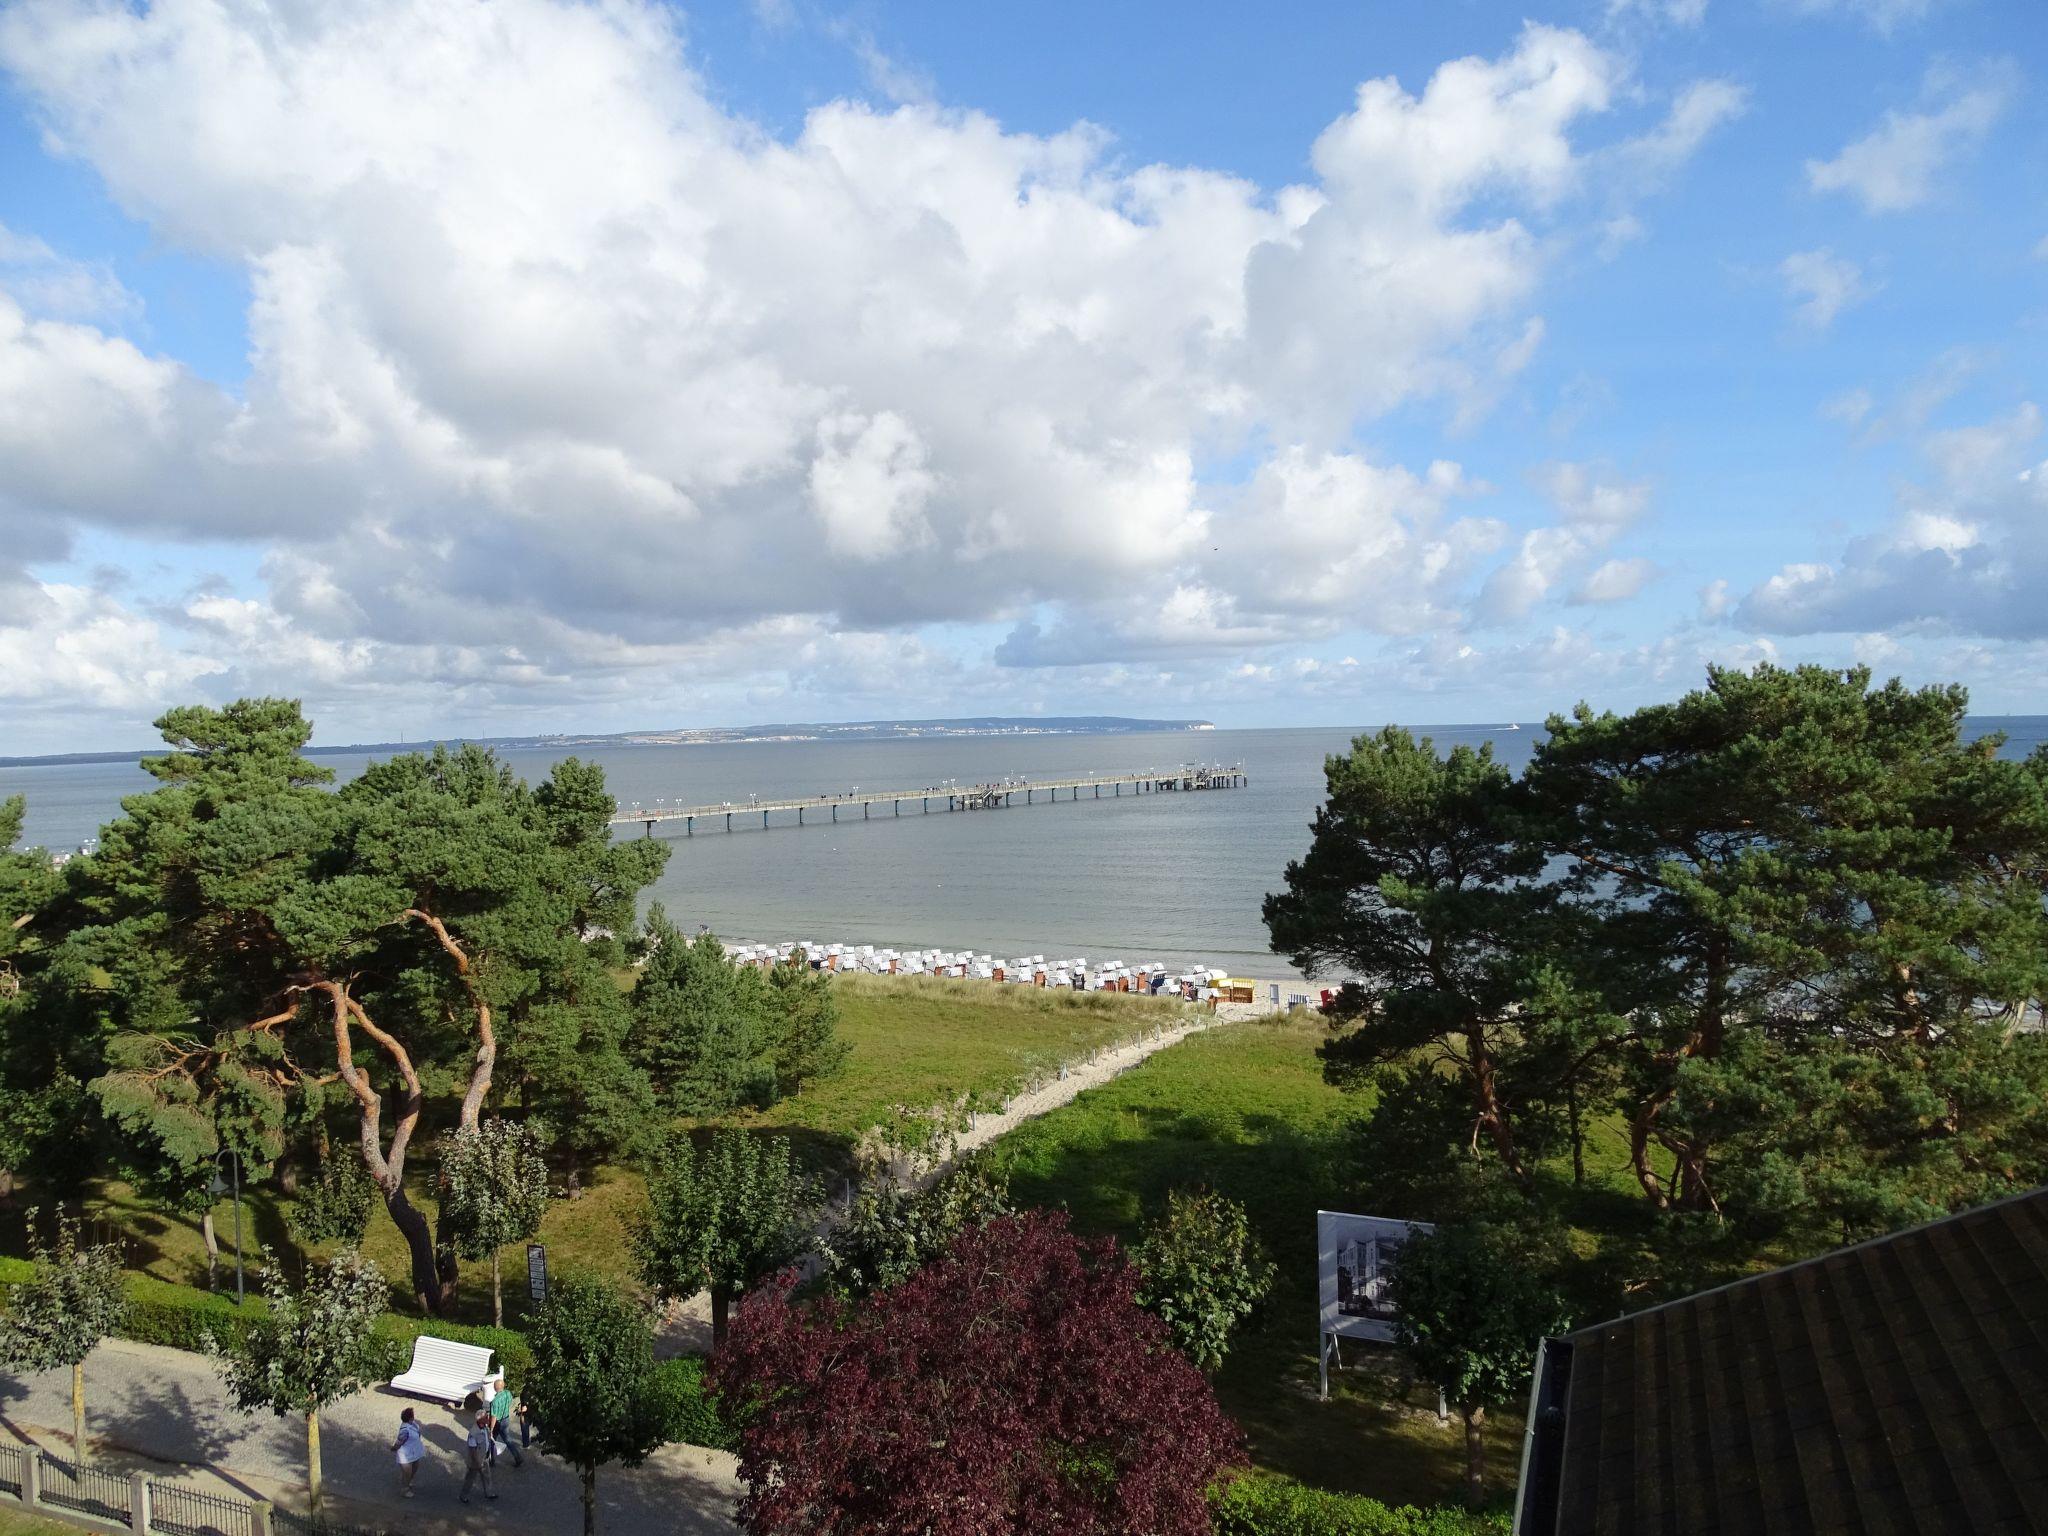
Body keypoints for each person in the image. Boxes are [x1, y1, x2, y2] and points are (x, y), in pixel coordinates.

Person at [460, 1409, 497, 1503]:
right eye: (486, 1417)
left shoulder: (485, 1427)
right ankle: (463, 1496)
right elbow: (472, 1450)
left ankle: (489, 1493)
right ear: (480, 1420)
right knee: (470, 1479)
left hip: (484, 1457)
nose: (488, 1418)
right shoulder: (473, 1433)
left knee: (487, 1476)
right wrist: (477, 1463)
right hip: (475, 1461)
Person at [488, 1373, 523, 1468]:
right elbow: (510, 1402)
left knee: (492, 1440)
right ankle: (518, 1457)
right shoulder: (508, 1393)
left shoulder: (495, 1401)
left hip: (498, 1422)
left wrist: (491, 1429)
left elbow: (494, 1416)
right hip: (506, 1419)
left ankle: (491, 1460)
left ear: (495, 1388)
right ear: (503, 1386)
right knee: (508, 1439)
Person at [390, 1407, 426, 1498]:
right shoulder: (404, 1430)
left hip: (414, 1451)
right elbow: (399, 1442)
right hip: (405, 1455)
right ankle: (405, 1490)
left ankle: (407, 1481)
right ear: (410, 1418)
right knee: (407, 1473)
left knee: (415, 1468)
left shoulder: (413, 1424)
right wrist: (394, 1448)